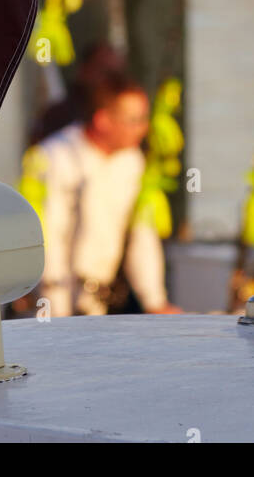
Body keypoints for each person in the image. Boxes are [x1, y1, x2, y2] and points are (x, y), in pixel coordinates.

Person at [20, 54, 181, 317]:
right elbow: (48, 238)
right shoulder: (55, 156)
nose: (143, 128)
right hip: (53, 301)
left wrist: (155, 300)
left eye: (144, 118)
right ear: (103, 120)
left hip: (100, 302)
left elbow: (142, 232)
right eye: (134, 119)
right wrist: (57, 315)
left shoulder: (133, 161)